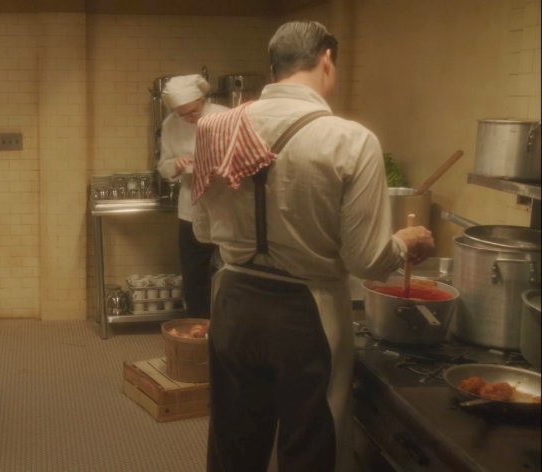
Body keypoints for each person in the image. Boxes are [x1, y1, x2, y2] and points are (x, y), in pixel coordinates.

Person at [192, 21, 435, 471]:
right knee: (311, 448)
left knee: (233, 445)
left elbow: (204, 231)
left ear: (273, 68)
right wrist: (402, 243)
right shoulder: (351, 140)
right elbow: (366, 260)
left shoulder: (215, 129)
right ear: (327, 60)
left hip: (232, 302)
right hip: (308, 312)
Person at [156, 74, 229, 317]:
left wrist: (216, 166)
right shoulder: (170, 124)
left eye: (193, 111)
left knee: (230, 271)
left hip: (226, 206)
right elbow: (164, 166)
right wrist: (176, 164)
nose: (189, 118)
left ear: (202, 99)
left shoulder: (224, 116)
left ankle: (227, 326)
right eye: (182, 114)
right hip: (190, 207)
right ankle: (198, 325)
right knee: (194, 275)